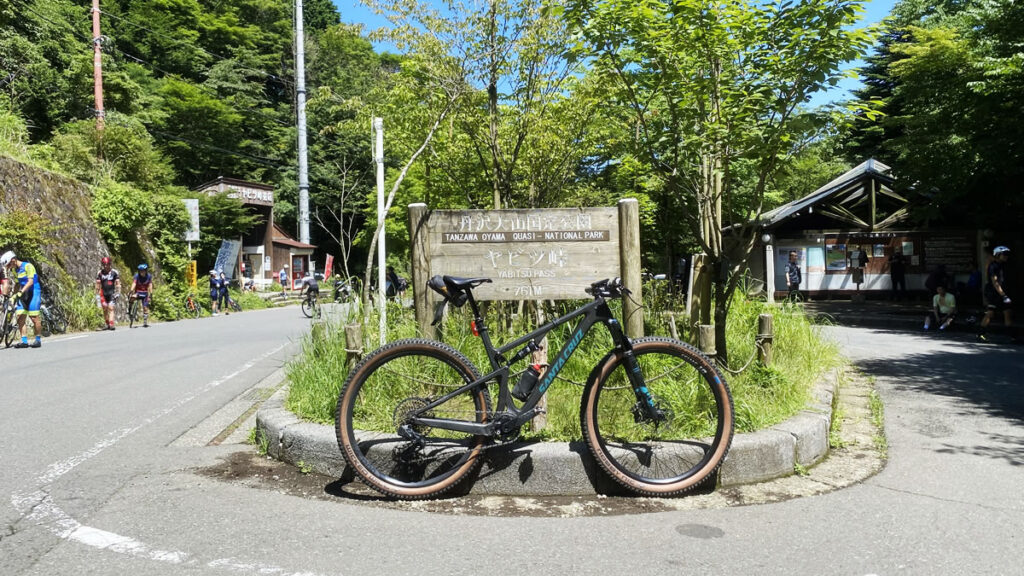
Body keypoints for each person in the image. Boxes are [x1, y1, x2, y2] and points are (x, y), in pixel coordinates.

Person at [2, 251, 44, 348]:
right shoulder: (14, 270)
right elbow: (17, 283)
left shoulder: (28, 266)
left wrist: (20, 292)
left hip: (33, 292)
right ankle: (24, 341)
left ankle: (38, 339)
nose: (8, 267)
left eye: (8, 265)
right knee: (20, 316)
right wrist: (14, 295)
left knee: (34, 318)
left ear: (13, 260)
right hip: (23, 294)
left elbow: (30, 282)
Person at [978, 246, 1013, 342]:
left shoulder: (1004, 265)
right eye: (1004, 254)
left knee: (1007, 313)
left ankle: (1012, 336)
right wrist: (1003, 295)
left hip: (1003, 292)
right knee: (990, 313)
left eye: (1007, 255)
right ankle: (980, 334)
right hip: (993, 293)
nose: (1006, 256)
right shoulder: (993, 266)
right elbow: (995, 282)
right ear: (998, 255)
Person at [95, 256, 121, 331]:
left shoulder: (114, 272)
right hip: (103, 293)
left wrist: (118, 292)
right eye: (104, 264)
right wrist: (97, 295)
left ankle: (111, 324)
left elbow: (117, 283)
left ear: (110, 264)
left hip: (111, 293)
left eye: (107, 264)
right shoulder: (100, 273)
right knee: (105, 308)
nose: (106, 266)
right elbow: (97, 284)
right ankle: (107, 324)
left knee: (111, 308)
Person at [129, 263, 154, 327]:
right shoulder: (137, 276)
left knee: (145, 308)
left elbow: (150, 285)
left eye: (143, 271)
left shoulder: (149, 276)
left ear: (146, 271)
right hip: (138, 292)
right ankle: (130, 309)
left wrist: (151, 294)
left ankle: (145, 321)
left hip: (145, 293)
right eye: (140, 271)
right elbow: (134, 283)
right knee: (132, 297)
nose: (141, 272)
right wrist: (131, 290)